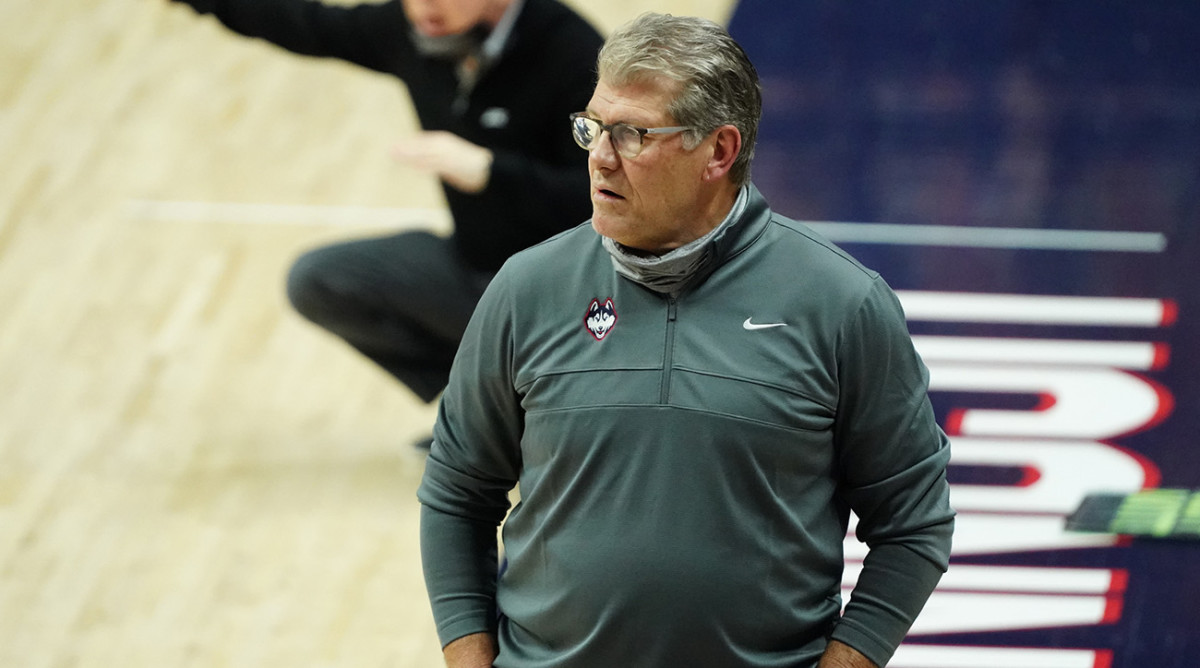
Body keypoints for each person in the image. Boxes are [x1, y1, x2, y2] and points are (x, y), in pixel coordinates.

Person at [417, 12, 955, 668]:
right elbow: (457, 494)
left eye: (632, 134)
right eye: (593, 127)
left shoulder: (841, 304)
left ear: (719, 152)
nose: (600, 156)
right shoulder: (527, 289)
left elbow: (914, 525)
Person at [168, 0, 604, 435]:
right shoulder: (413, 31)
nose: (422, 8)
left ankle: (551, 409)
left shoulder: (573, 53)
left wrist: (492, 172)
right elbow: (305, 23)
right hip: (478, 271)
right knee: (320, 280)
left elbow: (609, 197)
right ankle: (490, 408)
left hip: (568, 294)